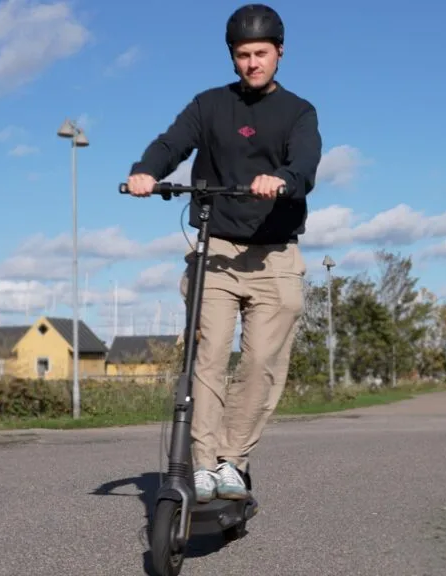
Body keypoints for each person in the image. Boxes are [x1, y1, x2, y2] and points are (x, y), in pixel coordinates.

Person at [125, 3, 322, 503]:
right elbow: (172, 144)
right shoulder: (208, 105)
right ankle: (204, 466)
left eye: (261, 53)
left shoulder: (298, 112)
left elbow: (305, 166)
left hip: (274, 256)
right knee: (208, 358)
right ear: (232, 57)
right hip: (216, 250)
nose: (252, 63)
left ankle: (233, 460)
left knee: (260, 363)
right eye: (242, 55)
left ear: (280, 52)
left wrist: (280, 180)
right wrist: (146, 171)